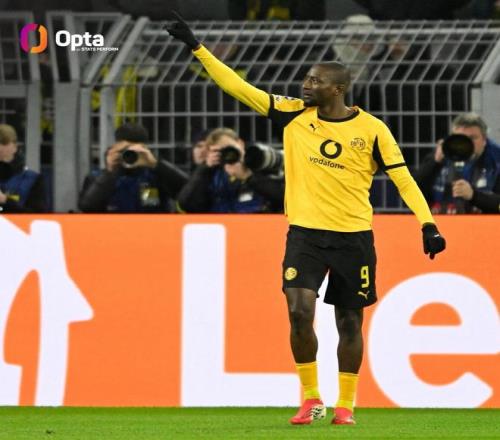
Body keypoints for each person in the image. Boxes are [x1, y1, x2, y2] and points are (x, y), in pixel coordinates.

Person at [166, 11, 446, 425]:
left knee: (348, 322)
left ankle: (345, 405)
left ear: (339, 89)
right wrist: (196, 47)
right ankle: (312, 397)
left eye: (315, 81)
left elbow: (403, 180)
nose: (306, 85)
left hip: (353, 237)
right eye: (306, 79)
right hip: (305, 235)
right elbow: (238, 87)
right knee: (299, 311)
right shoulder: (293, 113)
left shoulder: (373, 130)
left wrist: (428, 223)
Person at [78, 123, 188, 213]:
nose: (130, 155)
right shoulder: (98, 177)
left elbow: (188, 195)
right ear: (115, 148)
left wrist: (157, 164)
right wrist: (110, 173)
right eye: (125, 150)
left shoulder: (155, 175)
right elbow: (87, 207)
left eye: (135, 151)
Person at [177, 127, 284, 213]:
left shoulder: (260, 162)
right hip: (223, 227)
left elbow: (284, 199)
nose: (228, 154)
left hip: (259, 226)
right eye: (218, 151)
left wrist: (248, 177)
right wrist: (204, 169)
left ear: (240, 143)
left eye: (229, 148)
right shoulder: (210, 173)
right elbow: (187, 206)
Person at [414, 113, 500, 214]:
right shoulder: (442, 154)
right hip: (441, 220)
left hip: (482, 222)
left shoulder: (496, 160)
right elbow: (410, 191)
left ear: (484, 140)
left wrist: (474, 195)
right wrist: (434, 162)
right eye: (461, 138)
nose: (467, 143)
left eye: (473, 138)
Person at [0, 124, 47, 213]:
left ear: (15, 146)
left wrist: (6, 201)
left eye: (4, 143)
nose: (0, 147)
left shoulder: (33, 179)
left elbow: (38, 215)